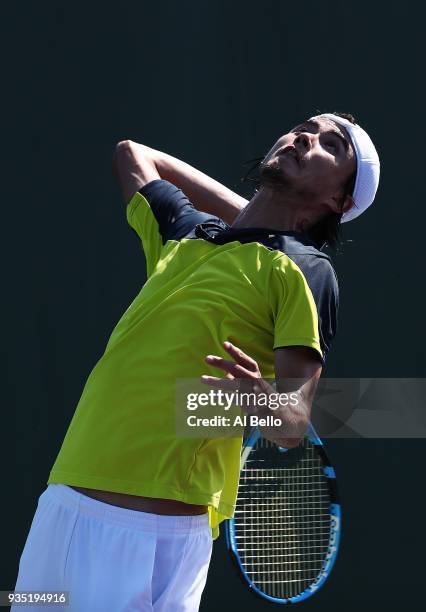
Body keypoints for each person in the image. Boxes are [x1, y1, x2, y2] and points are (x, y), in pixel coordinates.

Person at [12, 112, 380, 611]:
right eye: (304, 128)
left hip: (149, 536)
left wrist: (259, 398)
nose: (306, 137)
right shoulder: (187, 235)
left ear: (339, 201)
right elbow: (134, 154)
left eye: (331, 146)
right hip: (61, 505)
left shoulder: (305, 270)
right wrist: (252, 217)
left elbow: (292, 424)